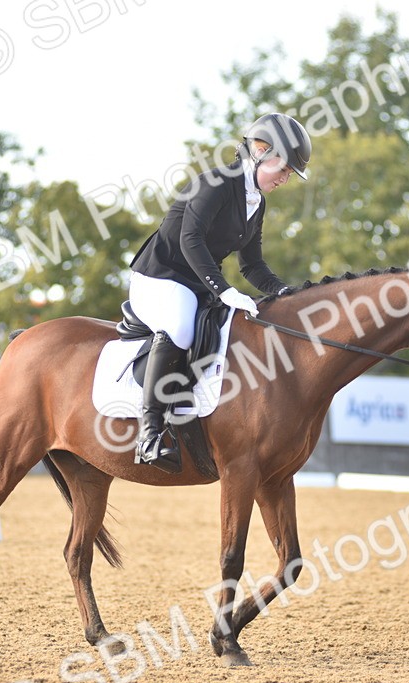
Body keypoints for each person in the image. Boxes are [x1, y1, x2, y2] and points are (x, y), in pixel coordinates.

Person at [126, 112, 312, 472]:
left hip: (198, 286)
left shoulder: (256, 201)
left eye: (290, 173)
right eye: (284, 169)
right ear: (260, 152)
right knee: (180, 328)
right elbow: (190, 240)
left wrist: (286, 293)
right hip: (160, 277)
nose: (285, 179)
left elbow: (252, 265)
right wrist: (224, 291)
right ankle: (149, 434)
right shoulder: (215, 184)